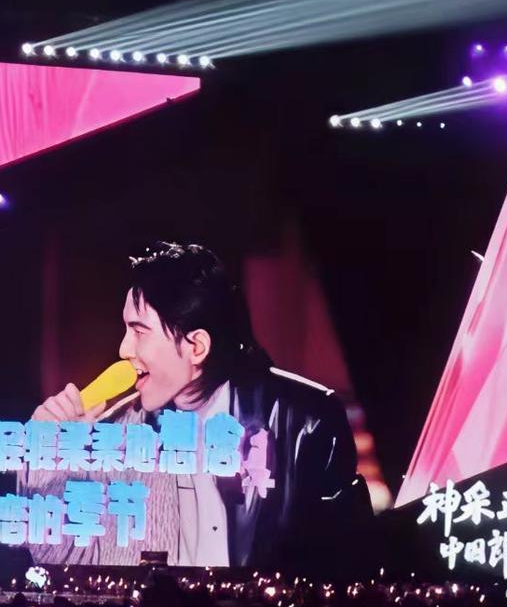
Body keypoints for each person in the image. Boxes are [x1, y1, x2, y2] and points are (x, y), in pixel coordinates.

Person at [28, 241, 369, 569]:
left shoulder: (305, 422)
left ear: (196, 347)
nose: (123, 349)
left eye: (139, 331)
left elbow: (345, 563)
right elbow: (61, 560)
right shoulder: (117, 433)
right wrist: (50, 459)